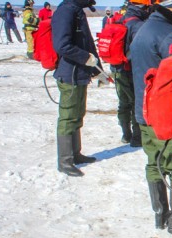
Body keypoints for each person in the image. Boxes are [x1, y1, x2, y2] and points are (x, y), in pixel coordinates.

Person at [130, 0, 172, 234]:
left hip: (143, 111)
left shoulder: (144, 28)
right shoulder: (170, 34)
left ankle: (160, 214)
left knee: (153, 162)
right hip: (163, 114)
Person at [52, 0, 106, 177]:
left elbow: (87, 44)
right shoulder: (66, 11)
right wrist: (85, 58)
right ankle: (65, 161)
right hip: (70, 75)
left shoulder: (76, 11)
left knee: (77, 114)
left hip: (80, 73)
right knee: (68, 117)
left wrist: (97, 69)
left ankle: (76, 153)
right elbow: (62, 45)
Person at [112, 0, 152, 147]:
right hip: (131, 70)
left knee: (123, 103)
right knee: (137, 102)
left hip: (117, 69)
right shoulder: (138, 25)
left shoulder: (121, 20)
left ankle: (126, 134)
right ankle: (137, 137)